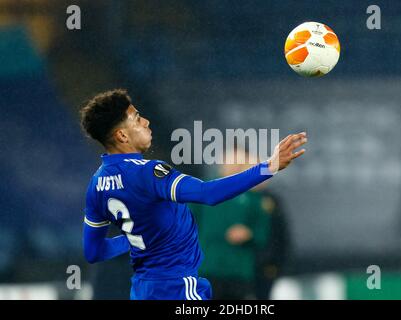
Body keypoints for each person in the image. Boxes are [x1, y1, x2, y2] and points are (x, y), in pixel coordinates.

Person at [79, 88, 307, 300]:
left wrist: (136, 240)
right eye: (137, 119)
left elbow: (94, 251)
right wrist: (269, 166)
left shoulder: (96, 184)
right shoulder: (150, 172)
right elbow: (208, 193)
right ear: (122, 136)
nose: (146, 122)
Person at [191, 149, 272, 299]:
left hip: (238, 271)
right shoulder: (202, 189)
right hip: (207, 268)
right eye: (231, 160)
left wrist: (249, 234)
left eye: (239, 162)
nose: (234, 165)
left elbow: (263, 234)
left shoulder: (253, 196)